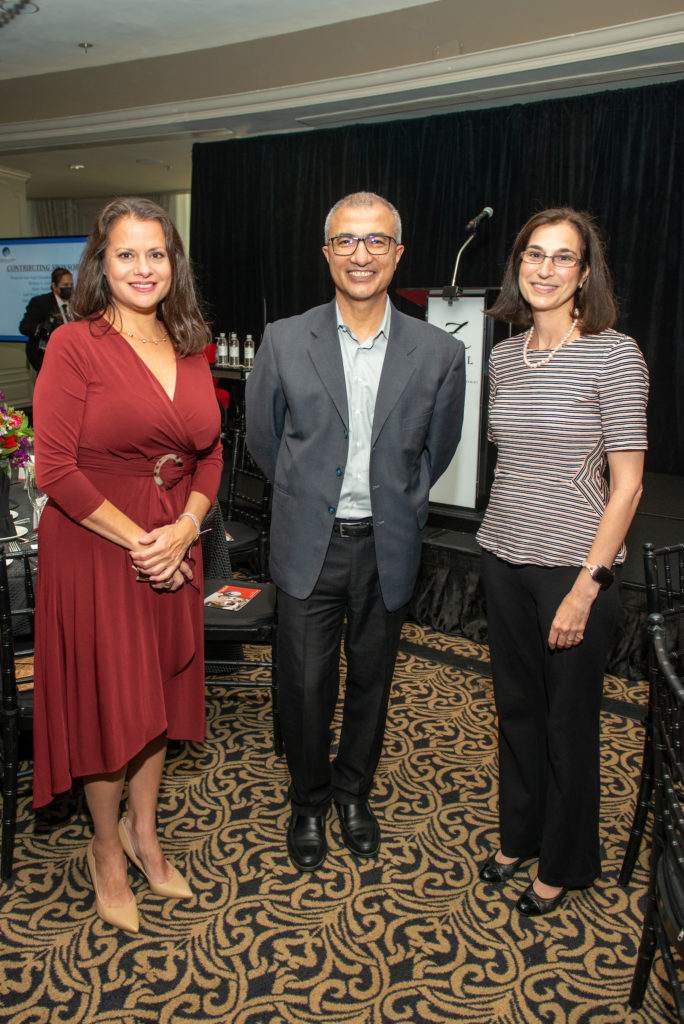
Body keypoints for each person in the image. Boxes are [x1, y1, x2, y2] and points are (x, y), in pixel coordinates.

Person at [246, 191, 466, 872]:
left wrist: (396, 500)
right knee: (303, 686)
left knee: (373, 681)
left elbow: (437, 450)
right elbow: (264, 444)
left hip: (387, 546)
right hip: (307, 546)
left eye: (375, 241)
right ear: (326, 253)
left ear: (397, 254)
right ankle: (309, 801)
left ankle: (352, 794)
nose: (360, 254)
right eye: (345, 240)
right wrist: (310, 496)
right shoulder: (284, 339)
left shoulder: (439, 351)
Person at [32, 197, 223, 933]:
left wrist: (185, 529)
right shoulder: (73, 344)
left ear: (174, 264)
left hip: (174, 536)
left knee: (159, 697)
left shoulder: (191, 344)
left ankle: (146, 835)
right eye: (126, 254)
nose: (143, 268)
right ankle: (106, 850)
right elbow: (55, 469)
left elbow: (210, 454)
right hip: (97, 544)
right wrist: (147, 543)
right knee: (112, 703)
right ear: (101, 265)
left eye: (156, 254)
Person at [476, 208, 648, 916]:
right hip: (501, 555)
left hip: (573, 569)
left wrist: (587, 586)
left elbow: (628, 485)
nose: (544, 269)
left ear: (584, 274)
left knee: (567, 723)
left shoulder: (614, 354)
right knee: (516, 711)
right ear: (518, 265)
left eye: (562, 257)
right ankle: (520, 835)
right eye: (533, 254)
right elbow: (508, 462)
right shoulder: (503, 357)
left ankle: (565, 861)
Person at [19, 266, 74, 373]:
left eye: (71, 285)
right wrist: (41, 327)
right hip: (47, 359)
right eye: (65, 285)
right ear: (54, 286)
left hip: (70, 359)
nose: (69, 288)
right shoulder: (41, 303)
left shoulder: (75, 305)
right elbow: (24, 327)